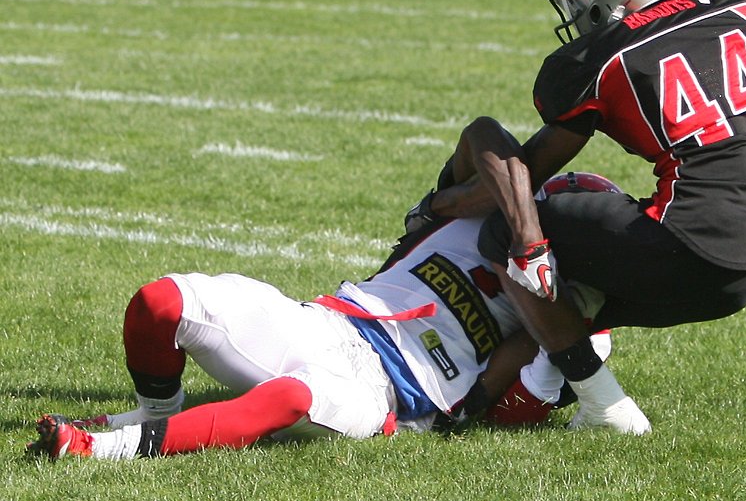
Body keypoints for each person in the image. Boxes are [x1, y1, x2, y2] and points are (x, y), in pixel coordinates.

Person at [409, 0, 746, 424]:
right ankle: (489, 400)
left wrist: (435, 205)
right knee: (578, 292)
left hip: (685, 242)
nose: (572, 14)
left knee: (507, 233)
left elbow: (517, 183)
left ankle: (602, 404)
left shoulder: (599, 59)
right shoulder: (740, 7)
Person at [26, 120, 638, 463]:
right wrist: (512, 222)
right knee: (161, 302)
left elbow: (509, 408)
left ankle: (103, 448)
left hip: (389, 395)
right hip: (332, 323)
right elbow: (481, 133)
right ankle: (157, 412)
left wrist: (540, 336)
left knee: (291, 397)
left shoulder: (573, 312)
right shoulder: (484, 208)